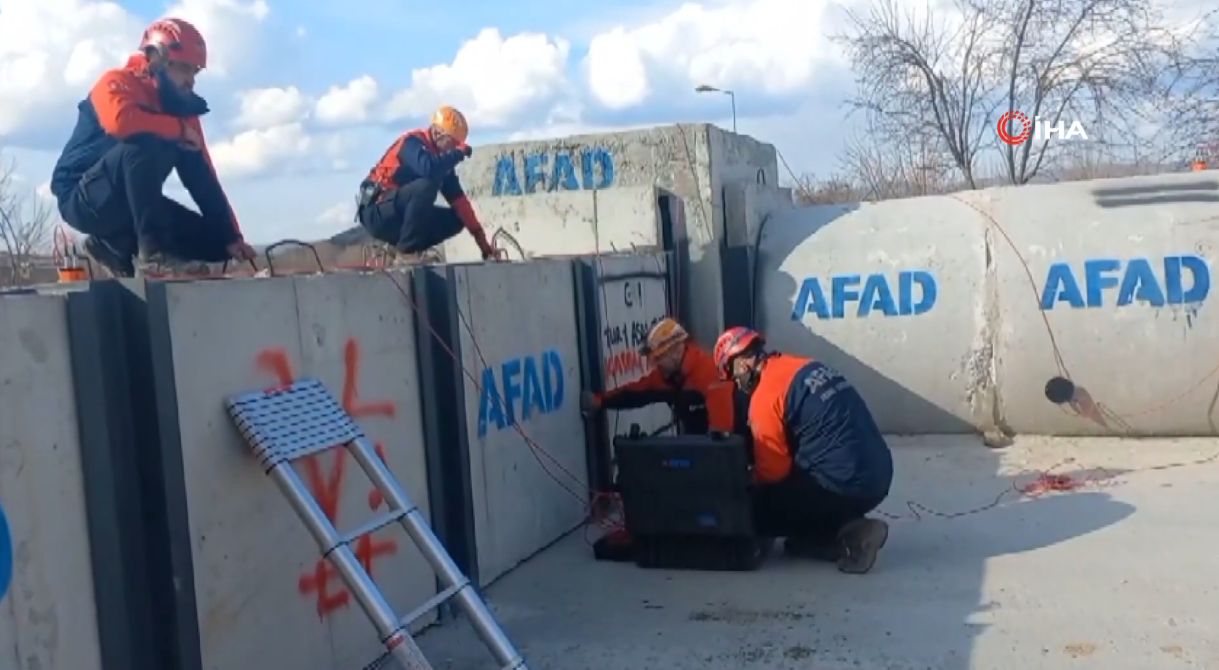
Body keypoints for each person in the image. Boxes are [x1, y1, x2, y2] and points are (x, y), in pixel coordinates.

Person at [49, 18, 256, 278]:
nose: (191, 80)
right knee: (146, 137)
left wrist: (232, 236)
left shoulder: (181, 110)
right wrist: (178, 130)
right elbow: (121, 123)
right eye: (183, 69)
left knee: (217, 243)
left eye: (195, 71)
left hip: (130, 209)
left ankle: (114, 245)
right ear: (156, 60)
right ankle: (153, 257)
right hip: (83, 199)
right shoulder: (116, 83)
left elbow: (204, 178)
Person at [713, 326, 894, 574]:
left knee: (756, 510)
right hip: (880, 475)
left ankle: (851, 534)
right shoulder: (802, 365)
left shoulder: (765, 396)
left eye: (732, 375)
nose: (736, 383)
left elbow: (772, 472)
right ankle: (829, 531)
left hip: (846, 485)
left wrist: (745, 481)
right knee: (795, 539)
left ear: (742, 365)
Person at [356, 106, 498, 263]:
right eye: (452, 144)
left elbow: (461, 203)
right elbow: (428, 168)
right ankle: (407, 253)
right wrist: (458, 153)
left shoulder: (441, 165)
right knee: (427, 185)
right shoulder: (411, 143)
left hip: (398, 216)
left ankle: (403, 248)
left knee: (457, 219)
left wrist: (484, 245)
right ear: (437, 134)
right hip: (376, 211)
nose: (452, 150)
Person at [580, 318, 741, 435]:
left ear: (678, 350)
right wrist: (600, 400)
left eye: (659, 357)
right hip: (702, 445)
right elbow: (635, 393)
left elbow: (722, 433)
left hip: (734, 447)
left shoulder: (710, 373)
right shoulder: (667, 376)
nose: (654, 363)